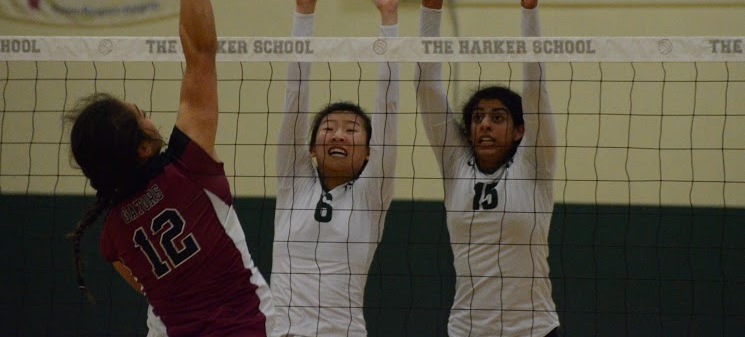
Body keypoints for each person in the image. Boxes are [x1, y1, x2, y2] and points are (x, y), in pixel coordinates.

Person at [65, 0, 274, 335]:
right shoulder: (189, 168)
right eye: (142, 116)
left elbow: (149, 289)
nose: (150, 117)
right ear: (144, 148)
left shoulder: (115, 233)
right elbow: (201, 52)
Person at [415, 0, 560, 336]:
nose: (485, 125)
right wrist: (430, 10)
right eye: (478, 118)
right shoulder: (456, 165)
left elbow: (535, 87)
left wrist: (529, 10)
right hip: (467, 330)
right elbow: (426, 87)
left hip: (534, 330)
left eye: (498, 118)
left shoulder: (534, 164)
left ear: (520, 130)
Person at [270, 0, 400, 336]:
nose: (339, 134)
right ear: (311, 148)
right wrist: (304, 13)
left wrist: (389, 19)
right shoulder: (293, 181)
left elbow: (389, 106)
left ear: (370, 152)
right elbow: (294, 96)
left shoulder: (373, 194)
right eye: (328, 128)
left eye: (352, 129)